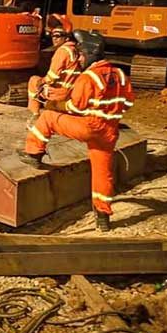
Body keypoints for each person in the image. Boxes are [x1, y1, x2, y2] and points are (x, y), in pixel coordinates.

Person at [18, 30, 134, 231]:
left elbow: (75, 108)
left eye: (81, 54)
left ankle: (33, 154)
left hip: (89, 126)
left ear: (89, 54)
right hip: (110, 131)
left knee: (46, 118)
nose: (79, 58)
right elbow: (128, 102)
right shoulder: (120, 75)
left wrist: (56, 106)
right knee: (103, 173)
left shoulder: (89, 77)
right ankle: (103, 216)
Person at [26, 14, 80, 118]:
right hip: (71, 91)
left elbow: (51, 77)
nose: (54, 39)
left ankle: (34, 115)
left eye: (58, 36)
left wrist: (41, 82)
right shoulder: (74, 50)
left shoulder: (62, 51)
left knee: (33, 81)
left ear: (66, 38)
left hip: (60, 92)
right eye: (53, 36)